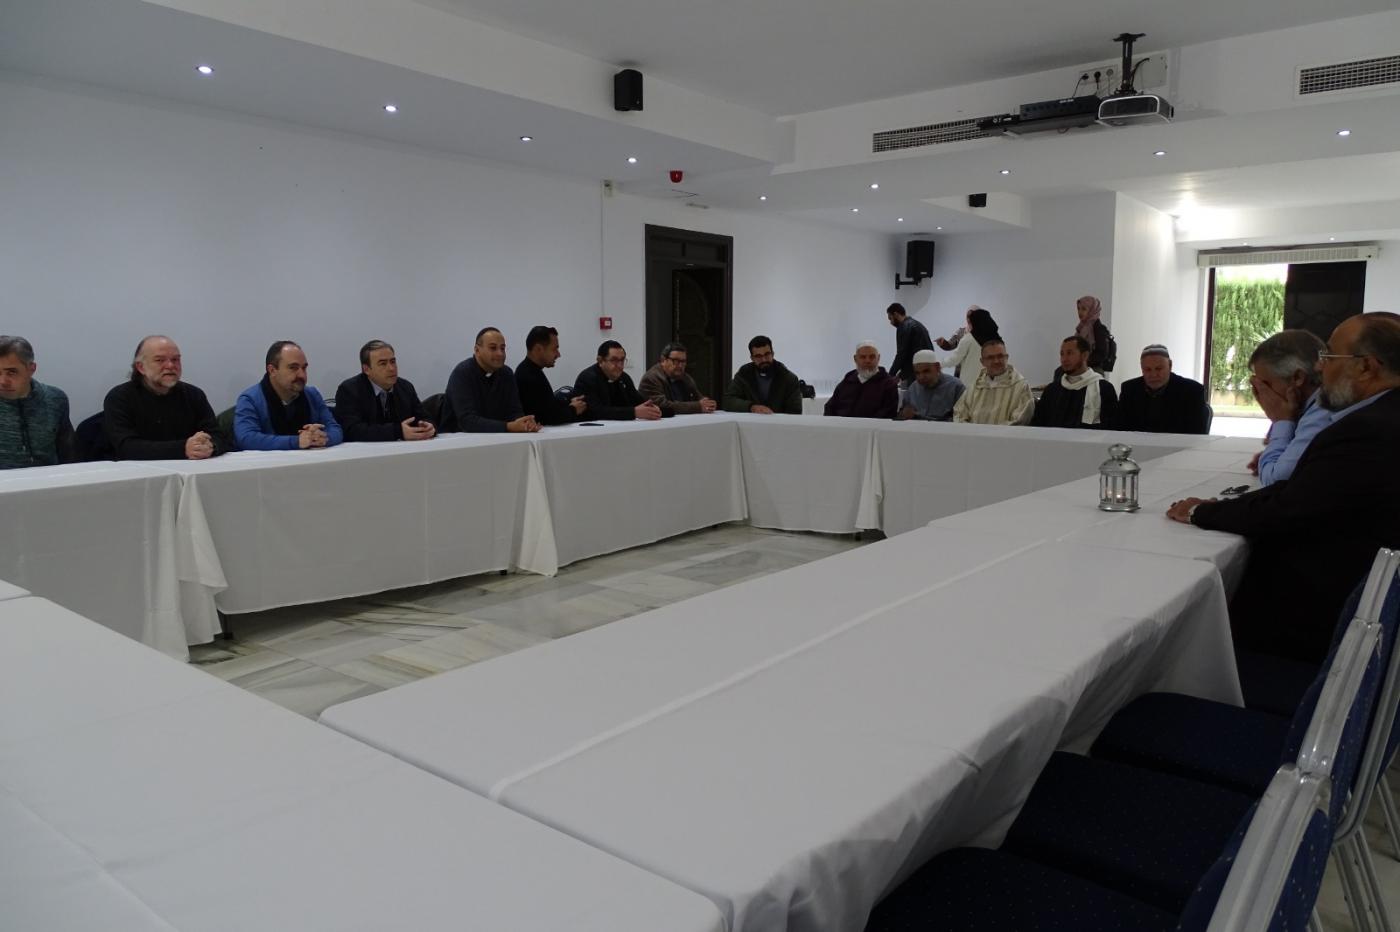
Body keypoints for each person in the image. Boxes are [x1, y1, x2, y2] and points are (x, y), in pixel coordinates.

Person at [1167, 313, 1400, 664]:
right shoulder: (1381, 417)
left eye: (1329, 358)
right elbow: (1305, 488)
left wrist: (1203, 511)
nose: (1320, 371)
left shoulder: (1366, 429)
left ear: (1366, 368)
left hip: (1317, 619)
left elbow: (1289, 504)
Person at [103, 335, 225, 460]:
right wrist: (183, 448)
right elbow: (126, 447)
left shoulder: (194, 395)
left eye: (176, 359)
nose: (170, 366)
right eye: (160, 360)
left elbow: (218, 436)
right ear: (141, 367)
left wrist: (210, 446)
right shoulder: (119, 397)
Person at [1245, 330, 1332, 486]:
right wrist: (1280, 453)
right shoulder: (1313, 405)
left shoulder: (1323, 412)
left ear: (1297, 378)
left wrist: (1281, 421)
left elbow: (1276, 481)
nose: (1261, 394)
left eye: (1265, 385)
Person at [234, 341, 344, 451]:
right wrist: (296, 441)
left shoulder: (312, 395)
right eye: (293, 368)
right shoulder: (250, 400)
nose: (302, 375)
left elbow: (335, 429)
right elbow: (246, 439)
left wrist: (322, 437)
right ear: (272, 370)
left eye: (304, 368)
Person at [333, 340, 435, 442]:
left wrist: (428, 426)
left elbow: (424, 417)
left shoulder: (405, 387)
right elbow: (351, 431)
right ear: (366, 369)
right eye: (383, 364)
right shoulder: (349, 390)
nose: (391, 368)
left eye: (393, 361)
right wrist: (398, 432)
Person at [440, 327, 539, 433]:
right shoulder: (462, 373)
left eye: (502, 348)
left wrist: (524, 423)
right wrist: (508, 426)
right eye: (493, 348)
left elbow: (514, 411)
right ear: (477, 350)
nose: (500, 353)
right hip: (457, 441)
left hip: (497, 438)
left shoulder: (506, 373)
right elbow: (467, 421)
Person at [0, 335, 75, 469]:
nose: (3, 381)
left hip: (47, 484)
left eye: (11, 372)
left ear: (31, 369)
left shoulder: (56, 400)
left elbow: (69, 455)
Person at [1115, 344, 1210, 434]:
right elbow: (1120, 428)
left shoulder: (1192, 391)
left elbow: (1196, 434)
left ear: (1170, 366)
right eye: (1148, 369)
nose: (1153, 375)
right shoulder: (1130, 390)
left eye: (1159, 369)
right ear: (1141, 368)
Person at [1031, 335, 1119, 428]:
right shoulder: (1052, 390)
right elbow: (1038, 424)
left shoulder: (1104, 389)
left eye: (1070, 353)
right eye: (1062, 354)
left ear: (1085, 355)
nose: (1064, 359)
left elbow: (1112, 426)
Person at [573, 340, 664, 420]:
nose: (620, 365)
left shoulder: (624, 378)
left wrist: (653, 408)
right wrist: (633, 412)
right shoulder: (587, 378)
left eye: (622, 360)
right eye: (614, 360)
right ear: (600, 361)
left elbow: (638, 401)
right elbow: (596, 411)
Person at [952, 338, 1034, 425]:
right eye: (990, 358)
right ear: (982, 361)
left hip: (1004, 438)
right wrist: (973, 434)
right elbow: (959, 414)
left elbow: (1019, 420)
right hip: (972, 437)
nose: (996, 361)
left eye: (1000, 356)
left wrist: (988, 435)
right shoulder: (974, 386)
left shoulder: (1020, 386)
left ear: (1007, 357)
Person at [515, 325, 586, 426]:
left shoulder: (531, 371)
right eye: (554, 349)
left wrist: (568, 402)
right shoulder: (528, 376)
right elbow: (548, 417)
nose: (558, 354)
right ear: (539, 349)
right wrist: (574, 409)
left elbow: (548, 404)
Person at [722, 335, 804, 414]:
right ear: (752, 358)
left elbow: (795, 411)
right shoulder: (744, 375)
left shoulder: (788, 378)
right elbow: (728, 401)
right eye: (758, 356)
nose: (764, 359)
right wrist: (751, 407)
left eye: (767, 354)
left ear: (773, 354)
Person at [824, 341, 898, 419]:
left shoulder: (888, 384)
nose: (867, 361)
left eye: (872, 357)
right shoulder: (847, 381)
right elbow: (830, 407)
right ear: (855, 359)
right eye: (863, 357)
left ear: (878, 358)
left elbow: (888, 412)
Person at [638, 342, 717, 415]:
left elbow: (698, 398)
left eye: (683, 362)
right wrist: (697, 406)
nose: (680, 365)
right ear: (663, 360)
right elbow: (662, 405)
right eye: (675, 361)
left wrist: (708, 403)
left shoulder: (686, 378)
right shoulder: (651, 378)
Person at [897, 350, 964, 421]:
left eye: (926, 371)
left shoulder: (956, 387)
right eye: (917, 373)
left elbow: (962, 419)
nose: (921, 377)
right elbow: (901, 416)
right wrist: (904, 414)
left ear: (937, 367)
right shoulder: (913, 389)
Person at [943, 306, 1000, 384]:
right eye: (968, 316)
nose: (969, 318)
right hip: (983, 381)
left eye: (972, 316)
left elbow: (954, 358)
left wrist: (939, 364)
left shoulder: (969, 338)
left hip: (971, 382)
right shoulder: (994, 338)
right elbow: (951, 345)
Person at [886, 303, 934, 386]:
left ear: (895, 314)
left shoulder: (904, 327)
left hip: (916, 373)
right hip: (927, 370)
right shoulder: (919, 325)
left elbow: (902, 354)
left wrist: (890, 375)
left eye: (890, 318)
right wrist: (900, 375)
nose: (891, 323)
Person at [1075, 295, 1117, 373]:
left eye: (1084, 309)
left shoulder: (1099, 329)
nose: (1080, 312)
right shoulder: (1081, 327)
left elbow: (1102, 354)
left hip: (1093, 370)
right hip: (1081, 367)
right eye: (1078, 309)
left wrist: (1083, 362)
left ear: (1092, 310)